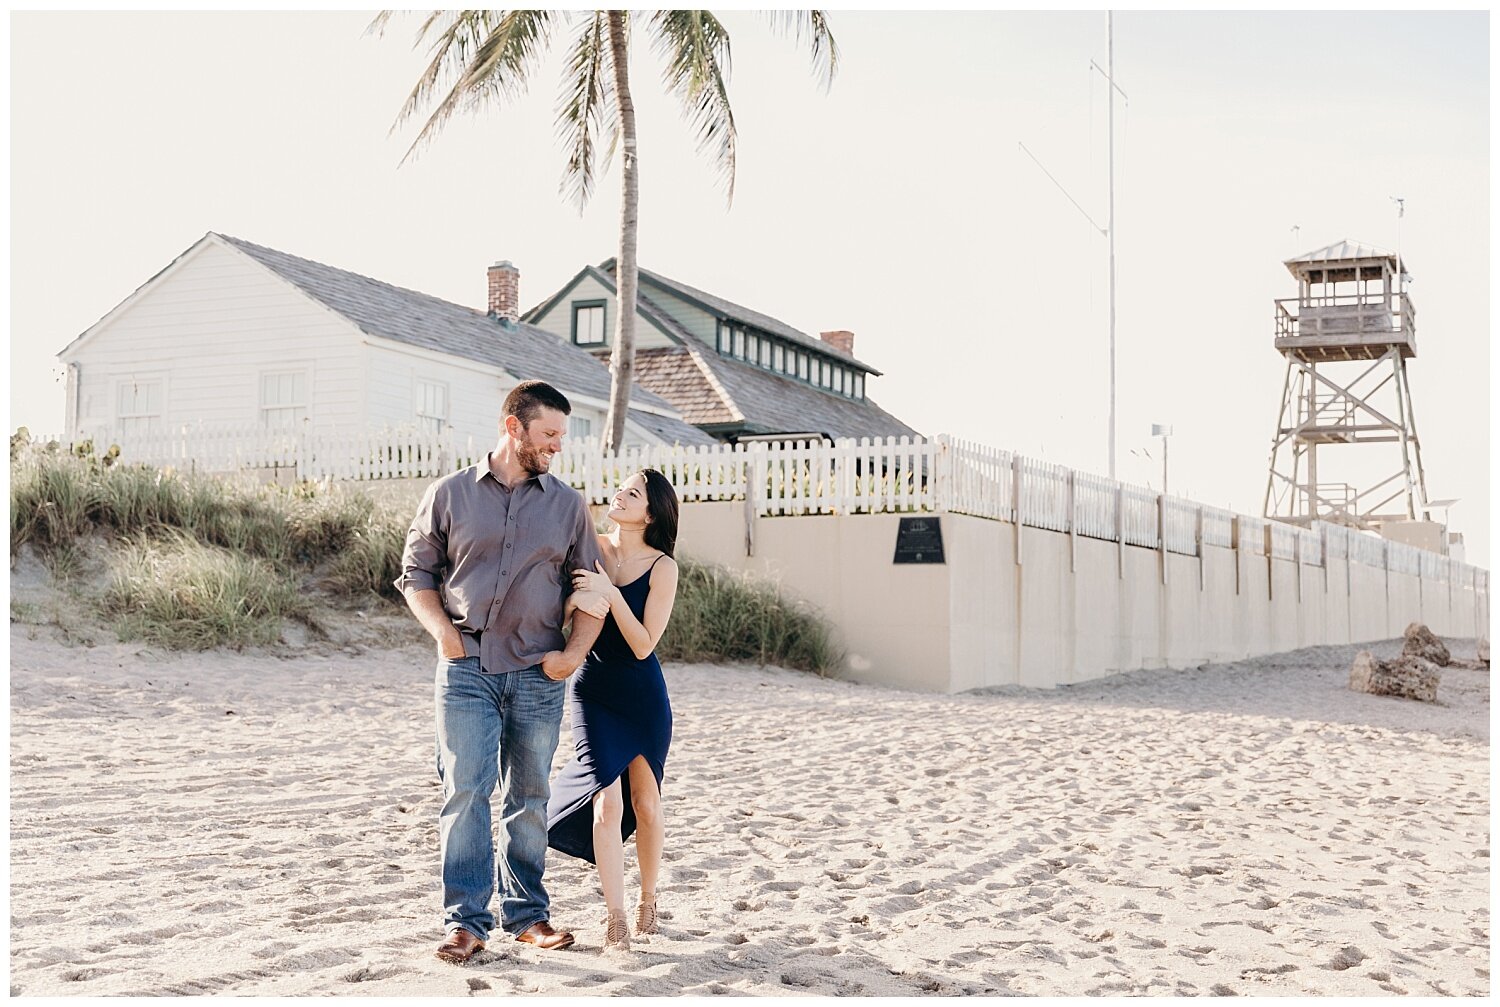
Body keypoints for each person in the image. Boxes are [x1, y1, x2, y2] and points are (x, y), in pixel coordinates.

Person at [396, 380, 612, 965]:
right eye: (548, 435)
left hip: (539, 674)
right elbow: (415, 574)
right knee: (466, 792)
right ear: (513, 428)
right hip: (467, 669)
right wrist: (444, 635)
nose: (557, 447)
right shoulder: (449, 494)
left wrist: (571, 656)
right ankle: (466, 923)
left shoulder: (567, 505)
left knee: (531, 794)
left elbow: (595, 591)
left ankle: (527, 916)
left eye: (561, 436)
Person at [546, 469, 681, 951]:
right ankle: (616, 916)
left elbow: (644, 644)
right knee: (607, 802)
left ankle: (649, 899)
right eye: (621, 488)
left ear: (652, 511)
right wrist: (581, 599)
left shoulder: (663, 566)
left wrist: (611, 595)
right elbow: (561, 610)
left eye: (633, 492)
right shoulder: (592, 547)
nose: (619, 495)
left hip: (642, 694)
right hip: (594, 690)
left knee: (646, 803)